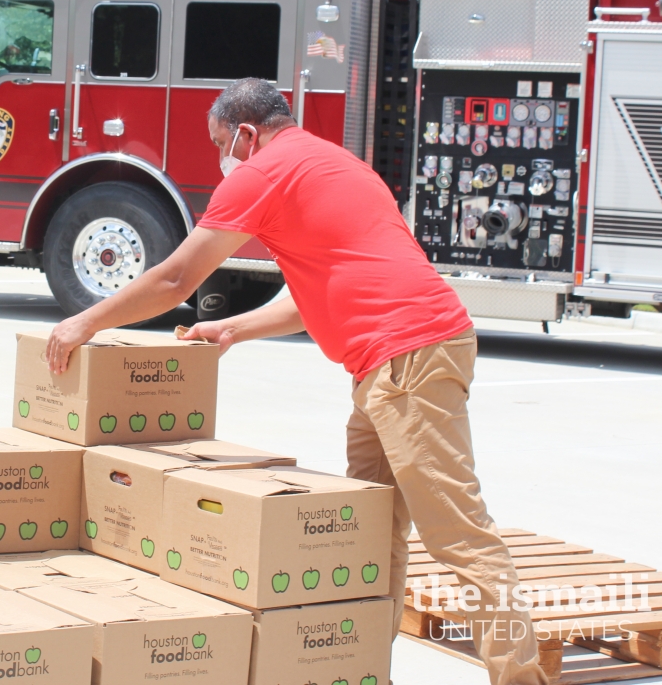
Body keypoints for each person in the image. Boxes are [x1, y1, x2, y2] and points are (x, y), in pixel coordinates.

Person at [46, 78, 548, 685]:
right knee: (372, 533)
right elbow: (325, 288)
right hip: (390, 364)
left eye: (219, 144)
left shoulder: (262, 173)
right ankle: (365, 671)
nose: (220, 160)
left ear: (247, 134)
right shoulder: (336, 163)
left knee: (460, 537)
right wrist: (235, 328)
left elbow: (176, 280)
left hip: (408, 359)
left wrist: (84, 321)